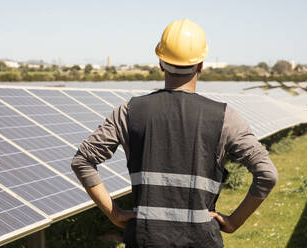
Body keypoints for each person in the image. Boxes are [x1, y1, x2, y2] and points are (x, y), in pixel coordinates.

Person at [71, 19, 278, 247]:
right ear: (201, 64)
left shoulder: (128, 112)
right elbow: (267, 174)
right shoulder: (226, 118)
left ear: (161, 62)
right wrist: (234, 221)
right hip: (202, 241)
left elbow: (83, 161)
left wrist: (115, 213)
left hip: (144, 239)